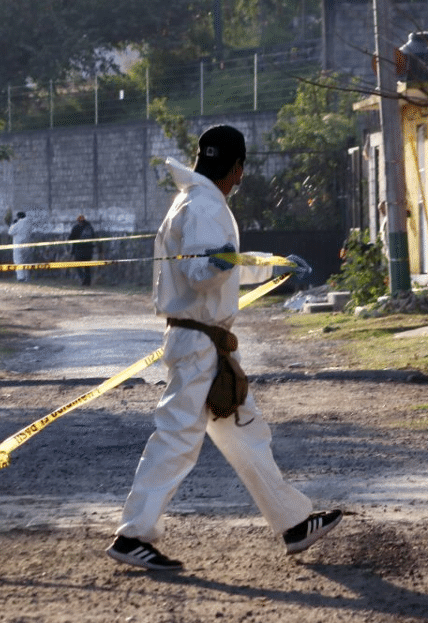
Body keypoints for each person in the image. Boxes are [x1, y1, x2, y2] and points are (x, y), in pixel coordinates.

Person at [107, 124, 342, 571]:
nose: (238, 180)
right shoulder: (206, 206)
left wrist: (273, 270)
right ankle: (132, 534)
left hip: (204, 342)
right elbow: (203, 274)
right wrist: (219, 264)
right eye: (238, 172)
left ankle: (293, 523)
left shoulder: (193, 201)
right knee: (177, 439)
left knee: (246, 433)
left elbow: (219, 269)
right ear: (236, 168)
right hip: (199, 343)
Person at [68, 214, 96, 286]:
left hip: (79, 250)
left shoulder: (76, 228)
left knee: (77, 265)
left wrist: (72, 251)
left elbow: (70, 238)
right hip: (89, 251)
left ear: (78, 221)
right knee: (87, 267)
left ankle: (83, 278)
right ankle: (88, 282)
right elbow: (94, 237)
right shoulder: (89, 227)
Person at [8, 211, 31, 282]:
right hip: (27, 244)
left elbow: (10, 232)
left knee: (18, 261)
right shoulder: (29, 223)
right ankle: (27, 277)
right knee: (25, 261)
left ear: (18, 217)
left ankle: (21, 277)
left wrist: (13, 224)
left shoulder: (18, 224)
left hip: (18, 245)